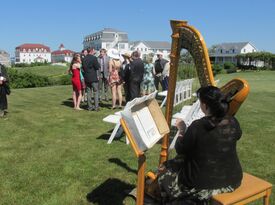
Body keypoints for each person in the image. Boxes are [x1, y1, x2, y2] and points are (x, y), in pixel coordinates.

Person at [147, 86, 243, 204]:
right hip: (233, 180)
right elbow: (236, 136)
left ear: (204, 105)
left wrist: (182, 131)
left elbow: (180, 149)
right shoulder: (233, 121)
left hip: (202, 185)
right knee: (179, 162)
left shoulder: (198, 126)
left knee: (164, 177)